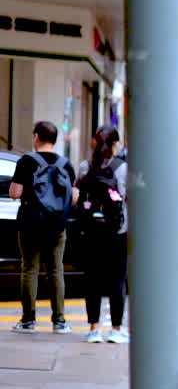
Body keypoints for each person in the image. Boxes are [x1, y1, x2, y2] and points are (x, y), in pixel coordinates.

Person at [10, 121, 76, 334]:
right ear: (55, 140)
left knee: (30, 269)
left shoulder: (26, 162)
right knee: (56, 271)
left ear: (36, 137)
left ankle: (28, 321)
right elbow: (73, 197)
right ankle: (59, 321)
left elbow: (15, 193)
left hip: (30, 223)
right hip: (57, 225)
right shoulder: (66, 164)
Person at [76, 126, 129, 344]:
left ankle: (93, 329)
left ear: (93, 143)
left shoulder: (84, 167)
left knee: (92, 280)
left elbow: (76, 197)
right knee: (117, 281)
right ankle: (116, 330)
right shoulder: (123, 168)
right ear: (115, 144)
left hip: (91, 231)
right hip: (117, 232)